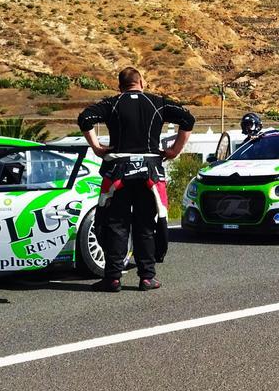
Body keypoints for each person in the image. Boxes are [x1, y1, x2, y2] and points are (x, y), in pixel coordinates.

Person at [77, 67, 195, 292]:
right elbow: (188, 119)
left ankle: (112, 278)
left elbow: (85, 118)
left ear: (119, 86)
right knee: (145, 225)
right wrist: (174, 150)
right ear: (141, 82)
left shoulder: (111, 103)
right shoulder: (157, 102)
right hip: (149, 173)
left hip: (118, 172)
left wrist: (97, 148)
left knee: (116, 225)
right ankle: (147, 277)